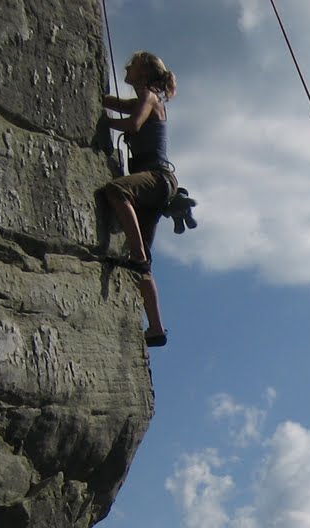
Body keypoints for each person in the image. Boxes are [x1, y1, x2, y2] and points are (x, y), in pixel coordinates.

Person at [100, 52, 177, 348]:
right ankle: (155, 328)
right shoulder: (146, 98)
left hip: (156, 178)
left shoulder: (149, 96)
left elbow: (133, 125)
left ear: (143, 71)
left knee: (117, 190)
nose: (126, 67)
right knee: (144, 270)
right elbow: (114, 103)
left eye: (131, 64)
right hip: (160, 185)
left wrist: (103, 123)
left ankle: (138, 255)